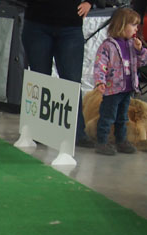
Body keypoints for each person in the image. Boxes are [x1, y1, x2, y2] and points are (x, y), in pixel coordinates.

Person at [22, 0, 97, 148]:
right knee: (39, 79)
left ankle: (77, 132)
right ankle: (37, 131)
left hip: (70, 26)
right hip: (37, 22)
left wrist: (90, 2)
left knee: (72, 82)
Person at [93, 7, 147, 155]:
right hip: (112, 89)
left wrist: (140, 50)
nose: (137, 28)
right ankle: (102, 141)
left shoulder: (133, 44)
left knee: (122, 117)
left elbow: (143, 62)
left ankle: (121, 140)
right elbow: (100, 65)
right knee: (108, 116)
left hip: (127, 88)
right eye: (134, 25)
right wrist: (100, 81)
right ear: (122, 25)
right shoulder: (108, 46)